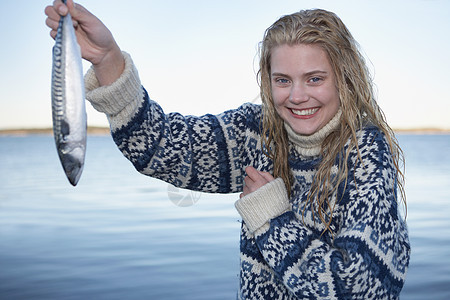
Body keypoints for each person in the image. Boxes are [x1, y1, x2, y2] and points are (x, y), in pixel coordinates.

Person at [45, 1, 410, 299]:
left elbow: (360, 290)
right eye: (282, 80)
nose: (297, 96)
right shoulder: (258, 132)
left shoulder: (365, 153)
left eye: (314, 78)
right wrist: (108, 60)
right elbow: (163, 146)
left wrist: (271, 219)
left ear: (344, 78)